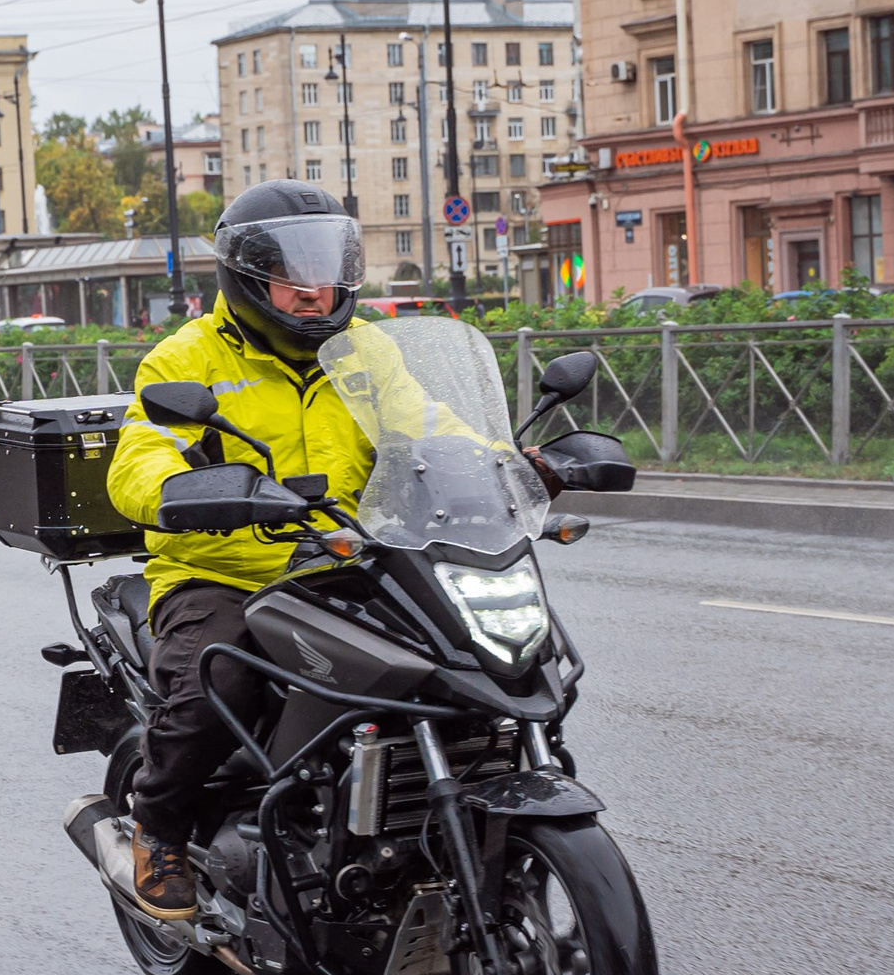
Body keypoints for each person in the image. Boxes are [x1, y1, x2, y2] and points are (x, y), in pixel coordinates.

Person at [104, 180, 567, 923]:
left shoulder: (365, 351)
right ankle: (157, 832)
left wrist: (509, 465)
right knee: (213, 686)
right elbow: (138, 462)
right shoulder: (182, 359)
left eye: (328, 271)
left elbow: (430, 424)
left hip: (349, 558)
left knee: (459, 662)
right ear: (248, 275)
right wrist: (196, 492)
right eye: (296, 276)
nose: (317, 292)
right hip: (223, 572)